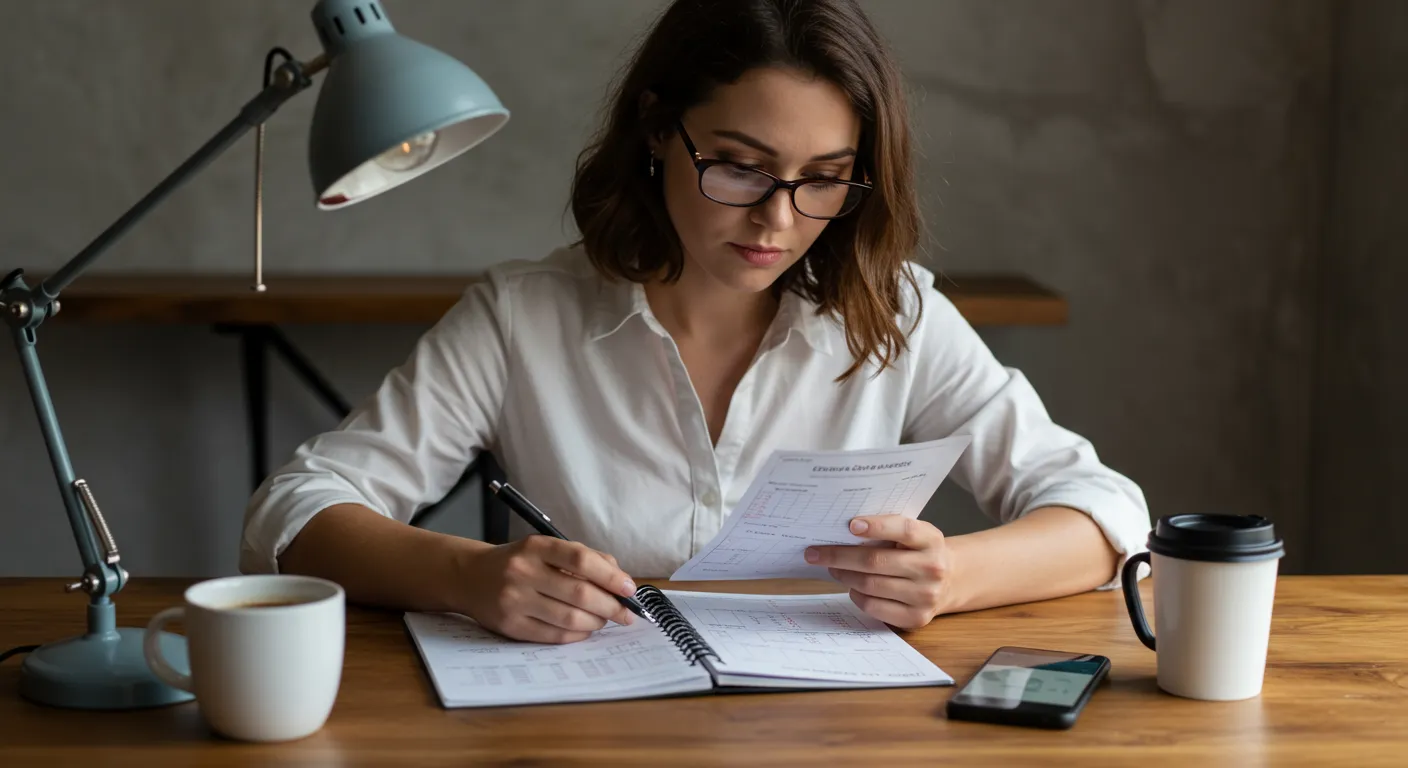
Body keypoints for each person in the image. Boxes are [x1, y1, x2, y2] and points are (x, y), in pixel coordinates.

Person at [241, 0, 1150, 644]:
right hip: (586, 740)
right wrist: (468, 575)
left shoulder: (895, 314)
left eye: (825, 177)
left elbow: (1109, 513)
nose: (779, 221)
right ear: (654, 131)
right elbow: (291, 514)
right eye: (741, 167)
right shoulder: (525, 318)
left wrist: (953, 576)